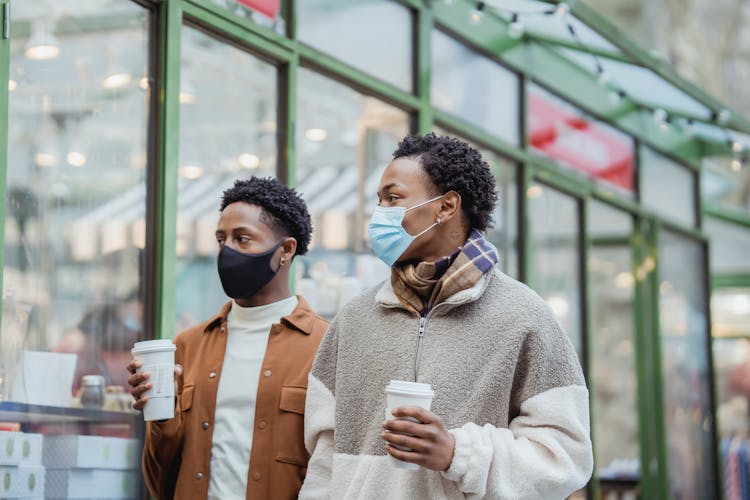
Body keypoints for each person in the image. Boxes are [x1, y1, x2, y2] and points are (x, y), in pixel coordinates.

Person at [300, 133, 593, 499]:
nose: (379, 213)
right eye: (378, 201)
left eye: (393, 198)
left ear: (446, 206)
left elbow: (566, 456)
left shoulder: (524, 316)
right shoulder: (354, 319)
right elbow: (324, 459)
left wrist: (458, 454)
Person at [127, 177, 328, 500]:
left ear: (286, 250)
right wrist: (160, 416)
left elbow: (335, 470)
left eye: (242, 239)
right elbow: (160, 482)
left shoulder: (326, 345)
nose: (227, 251)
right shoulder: (187, 346)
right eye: (222, 240)